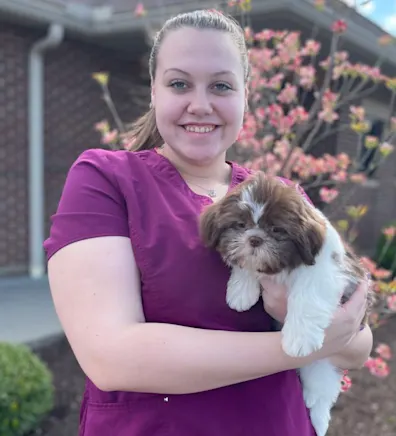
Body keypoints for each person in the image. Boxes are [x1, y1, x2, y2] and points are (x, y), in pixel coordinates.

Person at [44, 9, 372, 436]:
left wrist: (326, 326)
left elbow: (358, 343)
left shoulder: (281, 195)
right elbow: (111, 356)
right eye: (179, 83)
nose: (200, 104)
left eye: (220, 85)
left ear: (244, 97)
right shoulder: (106, 179)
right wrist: (299, 342)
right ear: (154, 93)